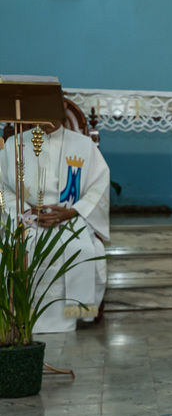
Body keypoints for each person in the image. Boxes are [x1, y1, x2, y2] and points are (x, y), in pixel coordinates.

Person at [0, 122, 109, 332]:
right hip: (26, 219)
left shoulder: (83, 144)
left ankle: (77, 313)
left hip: (69, 217)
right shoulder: (15, 144)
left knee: (82, 250)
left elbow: (99, 185)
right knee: (16, 249)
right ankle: (20, 314)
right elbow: (2, 188)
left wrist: (73, 211)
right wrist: (25, 211)